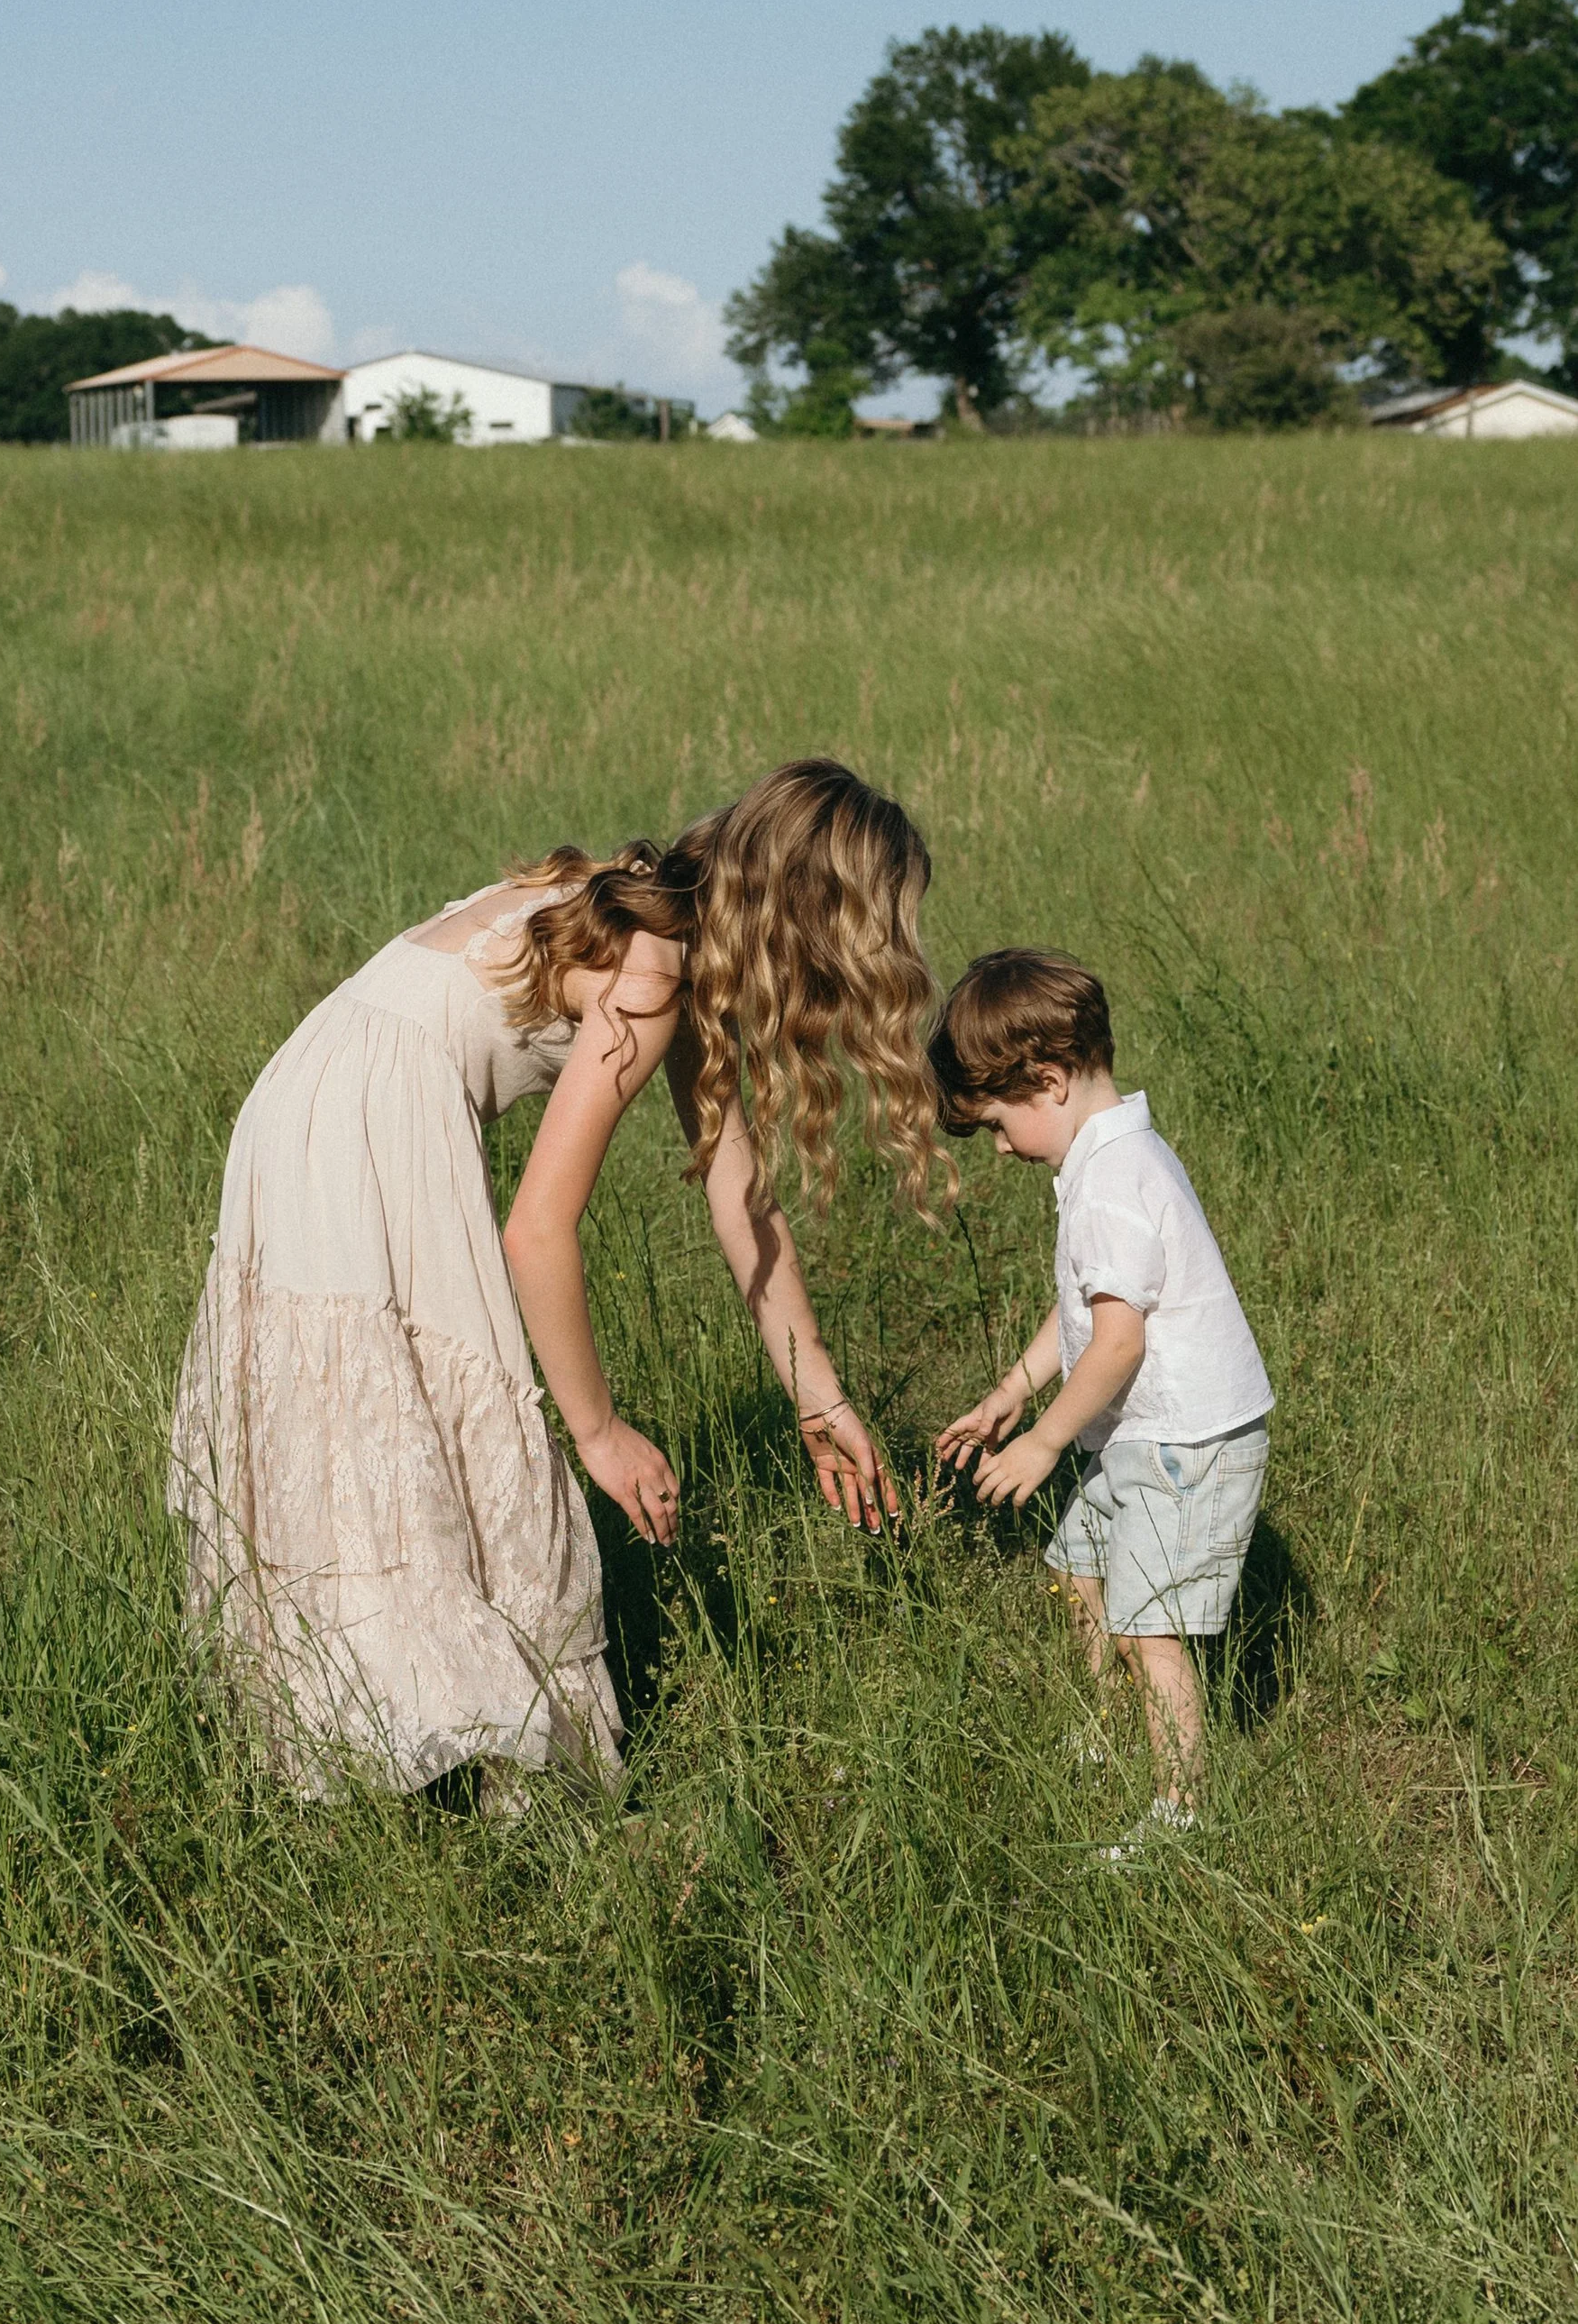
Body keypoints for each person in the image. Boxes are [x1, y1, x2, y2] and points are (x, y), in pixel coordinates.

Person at [168, 758, 946, 1799]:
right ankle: (467, 1750)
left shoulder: (645, 914)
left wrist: (819, 1399)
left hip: (301, 1098)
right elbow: (537, 1229)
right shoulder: (652, 974)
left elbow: (742, 1200)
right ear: (804, 921)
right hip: (371, 1118)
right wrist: (599, 1434)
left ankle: (366, 1731)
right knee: (424, 1414)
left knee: (362, 1417)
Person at [930, 950, 1272, 1847]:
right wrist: (1013, 1390)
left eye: (998, 1125)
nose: (1000, 1149)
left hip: (1184, 1442)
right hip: (1140, 1436)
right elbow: (1087, 1306)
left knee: (1149, 1633)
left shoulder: (1113, 1182)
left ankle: (1182, 1809)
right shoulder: (1108, 1157)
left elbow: (1119, 1341)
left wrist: (1041, 1442)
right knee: (1077, 1571)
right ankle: (1101, 1737)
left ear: (1045, 1080)